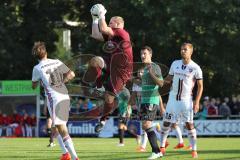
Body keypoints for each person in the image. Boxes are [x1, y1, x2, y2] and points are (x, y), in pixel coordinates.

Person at [85, 4, 133, 133]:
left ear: (117, 24)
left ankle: (103, 120)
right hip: (111, 63)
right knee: (95, 60)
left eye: (110, 22)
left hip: (121, 71)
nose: (108, 23)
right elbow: (96, 34)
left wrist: (102, 14)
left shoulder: (122, 33)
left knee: (109, 98)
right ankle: (99, 86)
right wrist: (95, 19)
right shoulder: (113, 34)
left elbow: (104, 28)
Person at [31, 41, 79, 160]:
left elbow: (33, 86)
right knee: (55, 126)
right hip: (64, 95)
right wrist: (61, 81)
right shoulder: (56, 61)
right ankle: (65, 154)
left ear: (35, 56)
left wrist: (39, 81)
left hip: (54, 98)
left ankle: (74, 157)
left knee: (61, 128)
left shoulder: (37, 68)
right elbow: (71, 74)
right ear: (46, 53)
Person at [160, 43, 203, 158]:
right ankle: (162, 147)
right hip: (172, 100)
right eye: (181, 49)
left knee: (189, 124)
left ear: (191, 52)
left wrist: (197, 102)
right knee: (166, 123)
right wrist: (160, 81)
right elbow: (169, 78)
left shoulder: (195, 68)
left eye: (185, 49)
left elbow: (200, 86)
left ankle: (194, 150)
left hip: (186, 101)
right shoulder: (175, 63)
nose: (183, 51)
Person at [137, 46, 164, 159]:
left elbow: (161, 84)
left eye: (145, 53)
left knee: (146, 124)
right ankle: (158, 152)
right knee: (144, 126)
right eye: (142, 54)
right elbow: (144, 85)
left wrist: (151, 73)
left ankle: (156, 152)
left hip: (152, 100)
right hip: (144, 101)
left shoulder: (155, 67)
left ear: (150, 55)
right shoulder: (141, 69)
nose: (143, 56)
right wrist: (139, 78)